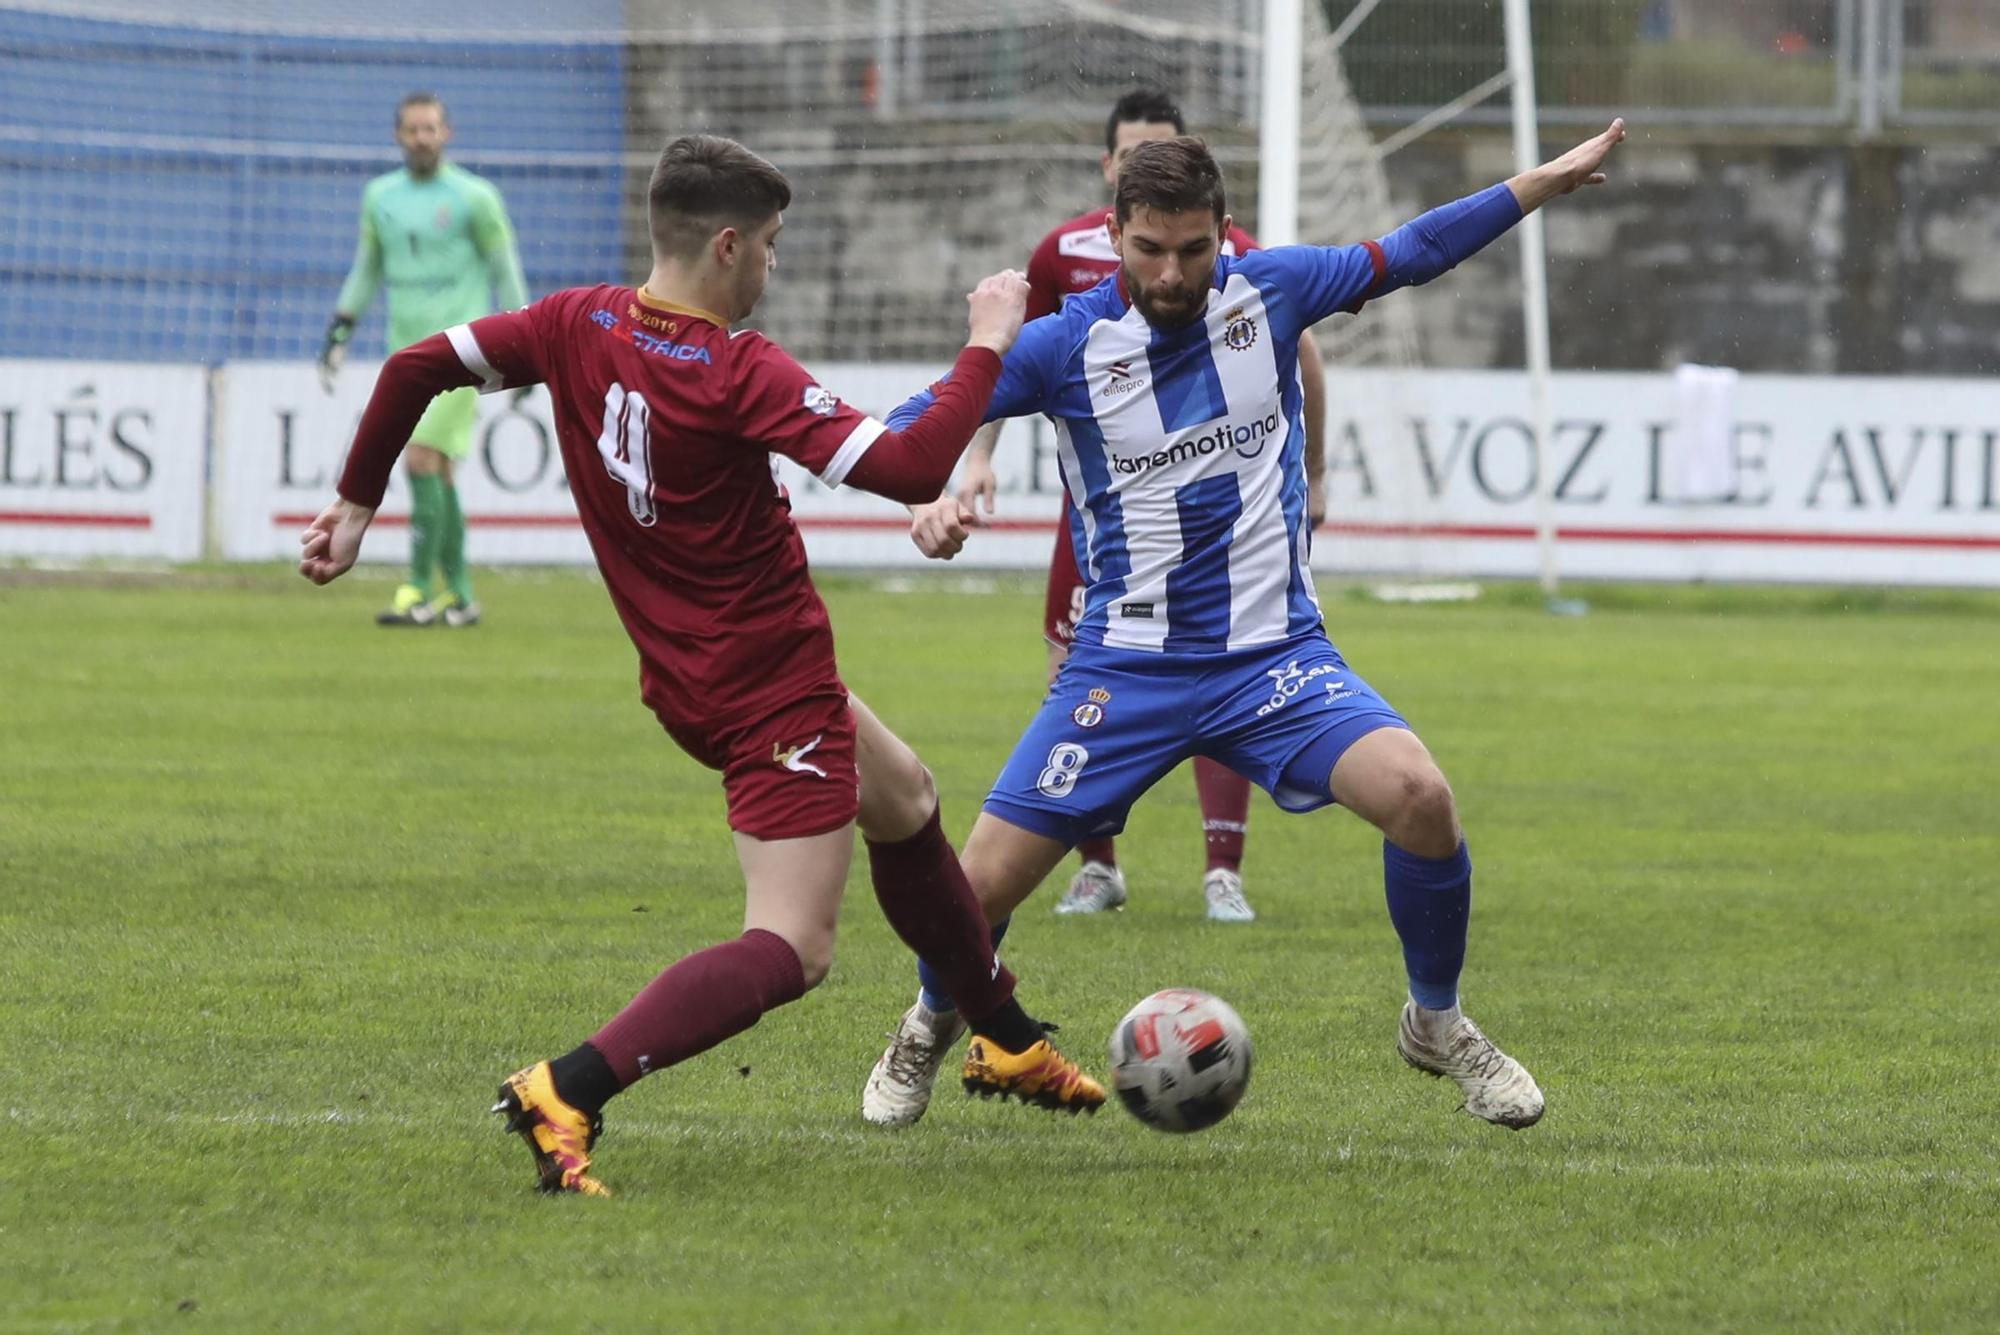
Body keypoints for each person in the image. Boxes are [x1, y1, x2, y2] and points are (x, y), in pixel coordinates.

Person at [298, 134, 1105, 1197]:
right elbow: (910, 463)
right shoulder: (737, 370)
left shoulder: (572, 322)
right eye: (768, 247)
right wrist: (988, 342)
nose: (770, 268)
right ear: (726, 246)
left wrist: (356, 507)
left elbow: (414, 366)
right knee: (793, 947)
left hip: (688, 675)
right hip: (772, 690)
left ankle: (1001, 1036)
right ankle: (565, 1087)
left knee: (905, 798)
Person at [864, 121, 1629, 1132]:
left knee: (1421, 800)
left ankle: (1435, 1023)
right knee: (974, 889)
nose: (1173, 272)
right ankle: (927, 1022)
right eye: (1149, 250)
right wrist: (923, 493)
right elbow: (915, 426)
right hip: (1123, 670)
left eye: (1193, 248)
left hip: (1273, 658)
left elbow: (1415, 250)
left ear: (1223, 231)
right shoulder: (1063, 345)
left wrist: (1534, 184)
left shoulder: (1271, 290)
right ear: (1116, 235)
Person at [931, 90, 1330, 925]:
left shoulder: (1237, 263)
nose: (1170, 269)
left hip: (1219, 516)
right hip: (1109, 518)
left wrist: (1316, 469)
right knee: (1072, 672)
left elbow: (1305, 351)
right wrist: (972, 462)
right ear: (1110, 173)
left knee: (1231, 661)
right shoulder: (1060, 255)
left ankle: (1222, 867)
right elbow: (1003, 370)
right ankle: (1095, 864)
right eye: (1132, 152)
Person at [317, 92, 530, 628]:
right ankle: (459, 596)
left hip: (464, 353)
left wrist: (527, 342)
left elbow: (505, 269)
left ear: (447, 133)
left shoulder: (475, 197)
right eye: (413, 129)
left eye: (430, 128)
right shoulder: (380, 197)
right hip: (406, 357)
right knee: (441, 471)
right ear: (398, 135)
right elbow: (367, 269)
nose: (422, 137)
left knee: (419, 459)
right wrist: (341, 328)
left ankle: (414, 590)